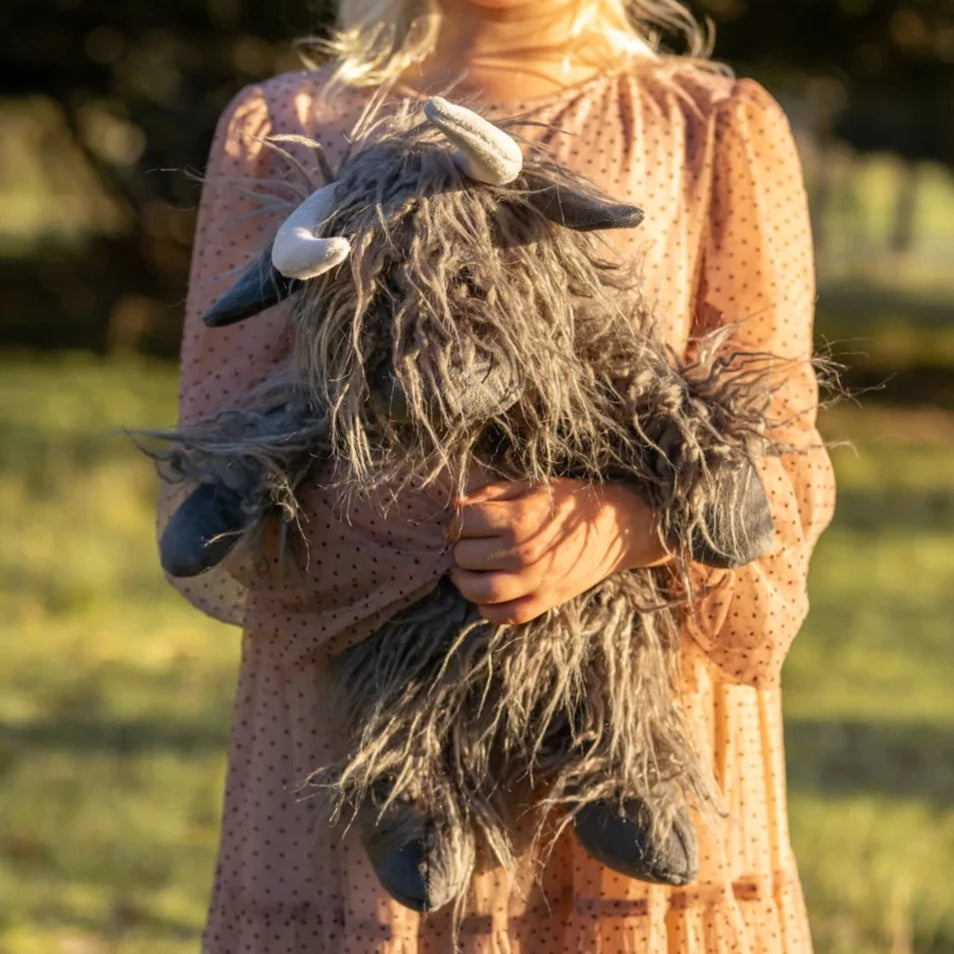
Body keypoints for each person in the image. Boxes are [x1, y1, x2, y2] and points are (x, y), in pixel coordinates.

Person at [160, 1, 836, 951]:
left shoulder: (708, 127)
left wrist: (624, 525)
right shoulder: (288, 128)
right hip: (358, 760)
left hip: (632, 733)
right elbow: (219, 446)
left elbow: (784, 455)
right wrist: (440, 523)